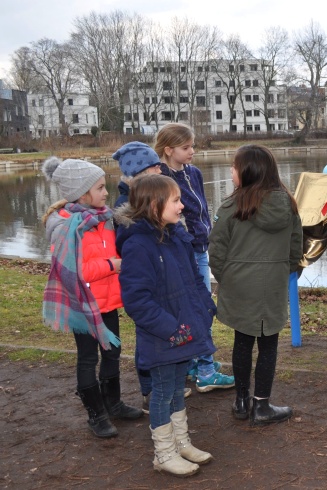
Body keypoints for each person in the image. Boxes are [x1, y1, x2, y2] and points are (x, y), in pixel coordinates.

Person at [116, 174, 216, 476]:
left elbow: (195, 281)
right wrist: (171, 328)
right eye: (176, 200)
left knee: (176, 389)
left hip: (184, 331)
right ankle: (163, 452)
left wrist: (205, 309)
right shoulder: (138, 247)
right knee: (161, 392)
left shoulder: (176, 237)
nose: (182, 205)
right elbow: (137, 300)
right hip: (163, 335)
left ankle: (180, 441)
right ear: (154, 205)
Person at [41, 157, 143, 439]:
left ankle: (113, 403)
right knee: (87, 359)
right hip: (82, 306)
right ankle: (96, 415)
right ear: (82, 193)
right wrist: (114, 265)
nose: (106, 192)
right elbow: (76, 271)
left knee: (112, 352)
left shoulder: (104, 218)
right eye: (100, 188)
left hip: (106, 301)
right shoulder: (67, 227)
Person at [209, 145, 303, 426]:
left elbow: (216, 249)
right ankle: (261, 405)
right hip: (272, 283)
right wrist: (284, 271)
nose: (230, 171)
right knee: (269, 344)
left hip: (239, 283)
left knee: (242, 341)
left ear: (247, 172)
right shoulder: (289, 204)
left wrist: (225, 278)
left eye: (234, 167)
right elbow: (296, 248)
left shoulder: (229, 207)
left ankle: (241, 400)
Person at [154, 123, 234, 393]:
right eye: (186, 147)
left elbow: (201, 207)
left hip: (201, 247)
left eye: (192, 146)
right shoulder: (160, 180)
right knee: (197, 306)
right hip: (182, 251)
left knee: (198, 303)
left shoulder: (194, 173)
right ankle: (206, 370)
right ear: (168, 149)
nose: (192, 151)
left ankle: (194, 360)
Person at [112, 140, 191, 410]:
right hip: (152, 290)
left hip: (165, 289)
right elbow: (135, 255)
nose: (160, 170)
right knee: (149, 340)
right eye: (155, 167)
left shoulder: (156, 209)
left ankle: (164, 388)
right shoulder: (129, 208)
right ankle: (149, 390)